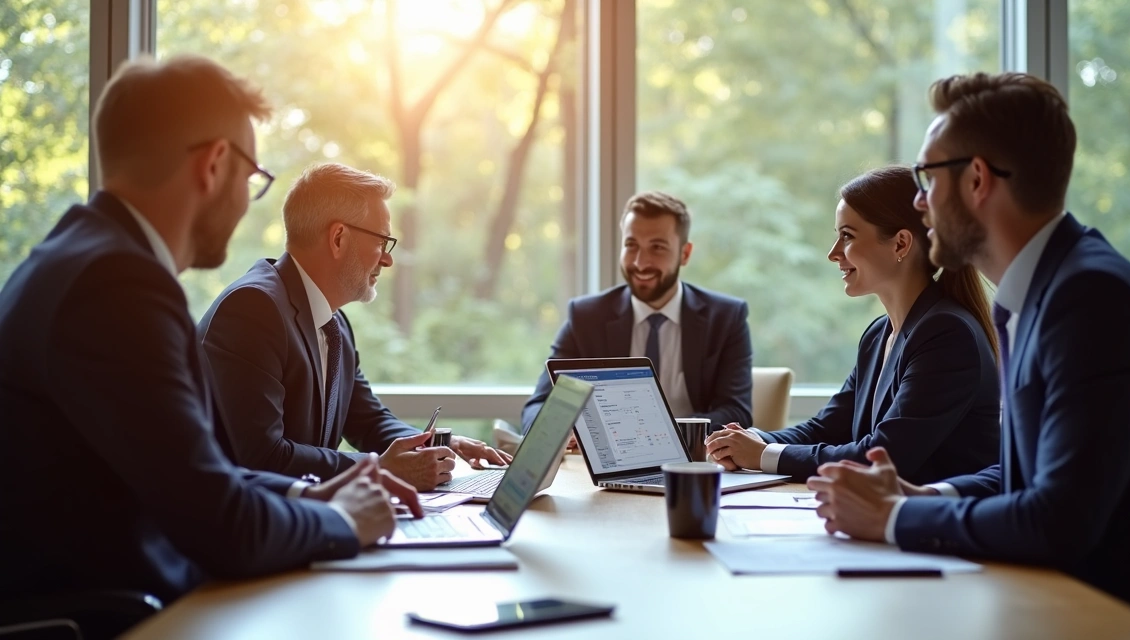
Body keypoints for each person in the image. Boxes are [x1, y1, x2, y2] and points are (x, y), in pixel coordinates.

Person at [0, 55, 421, 611]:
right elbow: (221, 525)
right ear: (215, 164)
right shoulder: (117, 286)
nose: (249, 200)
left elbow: (202, 476)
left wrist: (310, 493)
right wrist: (341, 520)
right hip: (114, 615)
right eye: (253, 179)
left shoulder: (81, 259)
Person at [809, 72, 1130, 637]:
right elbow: (1024, 474)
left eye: (927, 178)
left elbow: (1057, 520)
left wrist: (894, 516)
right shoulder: (1041, 293)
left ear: (977, 179)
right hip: (1059, 601)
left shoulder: (1093, 300)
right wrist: (925, 494)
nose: (919, 203)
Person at [198, 163, 511, 491]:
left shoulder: (334, 324)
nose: (387, 260)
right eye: (382, 241)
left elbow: (369, 420)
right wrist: (379, 469)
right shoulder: (253, 309)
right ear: (338, 238)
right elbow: (261, 457)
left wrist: (431, 445)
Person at [705, 167, 999, 484]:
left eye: (847, 236)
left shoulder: (947, 335)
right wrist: (753, 439)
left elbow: (882, 457)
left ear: (900, 244)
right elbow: (828, 427)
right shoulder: (879, 334)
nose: (833, 253)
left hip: (937, 525)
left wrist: (762, 455)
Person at [521, 190, 753, 436]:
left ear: (685, 254)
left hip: (692, 465)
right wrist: (563, 431)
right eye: (631, 245)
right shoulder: (586, 317)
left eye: (657, 247)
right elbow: (539, 406)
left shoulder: (726, 318)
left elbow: (736, 412)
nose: (641, 263)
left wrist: (661, 434)